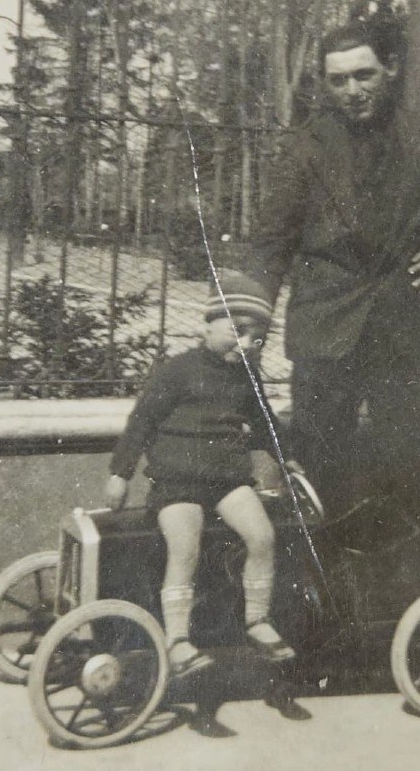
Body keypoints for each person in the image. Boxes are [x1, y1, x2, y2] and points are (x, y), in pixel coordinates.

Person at [246, 12, 420, 525]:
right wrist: (248, 311)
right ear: (325, 83)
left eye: (363, 75)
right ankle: (320, 595)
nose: (352, 90)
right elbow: (271, 239)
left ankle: (400, 595)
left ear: (389, 69)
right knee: (315, 471)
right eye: (338, 80)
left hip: (402, 327)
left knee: (408, 469)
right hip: (325, 329)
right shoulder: (306, 146)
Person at [104, 270, 300, 678]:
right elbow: (142, 421)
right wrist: (120, 473)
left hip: (227, 480)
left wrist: (288, 458)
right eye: (237, 330)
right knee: (185, 546)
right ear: (209, 322)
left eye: (256, 338)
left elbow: (265, 425)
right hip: (177, 482)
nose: (246, 344)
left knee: (262, 536)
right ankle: (177, 640)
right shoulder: (177, 371)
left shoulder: (246, 377)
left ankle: (257, 621)